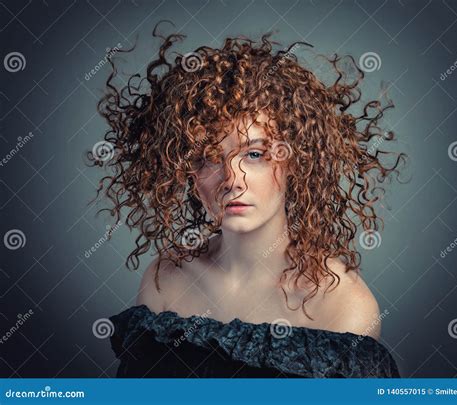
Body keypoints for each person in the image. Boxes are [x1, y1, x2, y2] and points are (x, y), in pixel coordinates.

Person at [90, 23, 406, 378]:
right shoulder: (166, 280)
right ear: (188, 171)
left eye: (254, 154)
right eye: (209, 157)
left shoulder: (341, 304)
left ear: (294, 162)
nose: (232, 181)